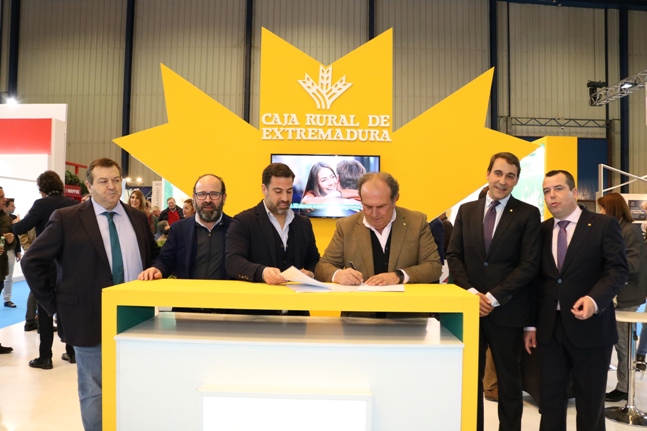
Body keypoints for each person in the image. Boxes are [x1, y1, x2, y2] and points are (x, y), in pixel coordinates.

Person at [21, 158, 157, 431]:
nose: (111, 187)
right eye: (103, 181)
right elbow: (32, 261)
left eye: (116, 180)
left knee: (134, 385)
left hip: (135, 317)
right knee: (94, 390)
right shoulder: (67, 218)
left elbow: (152, 257)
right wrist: (54, 306)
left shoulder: (138, 218)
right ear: (89, 185)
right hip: (86, 317)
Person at [524, 170, 628, 431]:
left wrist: (594, 300)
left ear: (574, 192)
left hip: (591, 329)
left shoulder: (603, 225)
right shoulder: (541, 231)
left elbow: (617, 270)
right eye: (546, 191)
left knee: (590, 404)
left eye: (558, 189)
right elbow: (536, 281)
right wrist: (531, 325)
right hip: (549, 330)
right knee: (550, 403)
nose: (552, 196)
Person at [446, 152, 541, 431]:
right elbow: (454, 256)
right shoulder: (466, 211)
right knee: (469, 380)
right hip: (469, 311)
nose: (503, 180)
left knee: (509, 383)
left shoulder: (528, 214)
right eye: (498, 173)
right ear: (488, 174)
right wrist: (472, 293)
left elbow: (529, 265)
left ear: (517, 180)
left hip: (507, 312)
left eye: (510, 176)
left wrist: (492, 297)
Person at [314, 172, 441, 311]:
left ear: (395, 199)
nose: (374, 214)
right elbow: (322, 267)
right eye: (368, 207)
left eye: (381, 207)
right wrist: (338, 275)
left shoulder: (416, 222)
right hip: (359, 315)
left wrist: (399, 276)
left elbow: (433, 267)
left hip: (407, 314)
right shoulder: (346, 226)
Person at [225, 163, 320, 315]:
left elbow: (314, 261)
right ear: (264, 189)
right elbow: (233, 262)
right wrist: (262, 272)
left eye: (289, 191)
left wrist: (311, 274)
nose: (285, 198)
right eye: (278, 191)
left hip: (297, 315)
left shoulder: (303, 223)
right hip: (255, 316)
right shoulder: (243, 221)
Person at [12, 171, 79, 368]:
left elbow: (22, 227)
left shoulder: (41, 204)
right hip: (69, 264)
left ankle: (45, 357)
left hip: (48, 263)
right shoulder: (73, 203)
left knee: (45, 309)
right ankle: (72, 352)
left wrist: (14, 224)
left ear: (42, 188)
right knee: (67, 308)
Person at [597, 193, 647, 402]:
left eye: (602, 208)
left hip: (626, 296)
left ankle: (625, 388)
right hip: (616, 295)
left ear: (612, 209)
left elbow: (632, 264)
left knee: (623, 344)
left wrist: (606, 263)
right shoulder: (618, 229)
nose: (600, 212)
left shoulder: (629, 231)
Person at [139, 174, 231, 281]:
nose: (207, 200)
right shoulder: (179, 229)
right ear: (194, 198)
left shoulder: (235, 228)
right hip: (187, 291)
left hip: (226, 291)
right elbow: (166, 259)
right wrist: (157, 269)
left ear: (224, 198)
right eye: (201, 194)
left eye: (214, 194)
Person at [0, 188, 14, 354]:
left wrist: (10, 241)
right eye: (1, 197)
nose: (4, 199)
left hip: (0, 269)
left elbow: (10, 242)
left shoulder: (5, 218)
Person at [3, 198, 21, 308]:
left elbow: (17, 236)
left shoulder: (14, 218)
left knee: (9, 276)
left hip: (10, 250)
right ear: (6, 206)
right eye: (12, 206)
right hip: (1, 249)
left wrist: (18, 251)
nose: (14, 207)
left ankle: (7, 299)